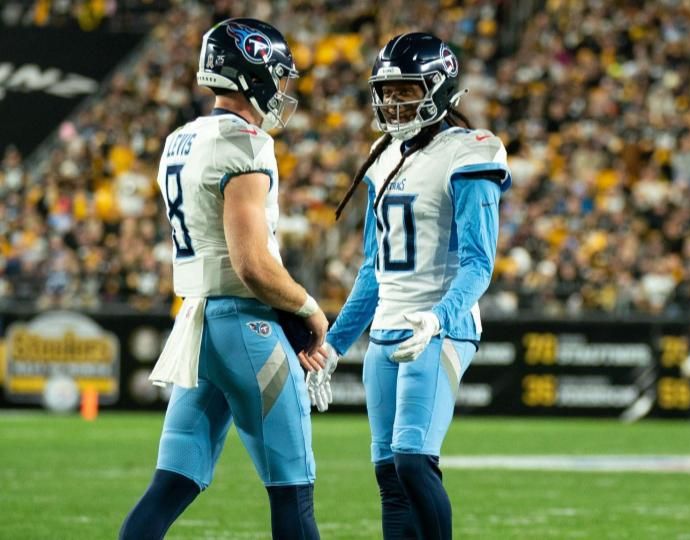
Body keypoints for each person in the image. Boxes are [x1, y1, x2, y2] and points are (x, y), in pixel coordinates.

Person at [119, 18, 336, 540]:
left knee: (172, 482)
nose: (282, 89)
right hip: (246, 326)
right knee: (293, 489)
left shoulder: (181, 138)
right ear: (253, 71)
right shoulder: (246, 143)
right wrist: (308, 307)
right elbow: (252, 265)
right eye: (277, 75)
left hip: (198, 325)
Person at [325, 32, 511, 540]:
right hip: (386, 328)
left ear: (439, 87)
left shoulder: (471, 150)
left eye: (406, 90)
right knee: (388, 473)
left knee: (412, 460)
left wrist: (437, 318)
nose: (392, 101)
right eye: (386, 91)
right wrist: (333, 345)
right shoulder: (382, 154)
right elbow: (373, 267)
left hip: (439, 327)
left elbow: (479, 263)